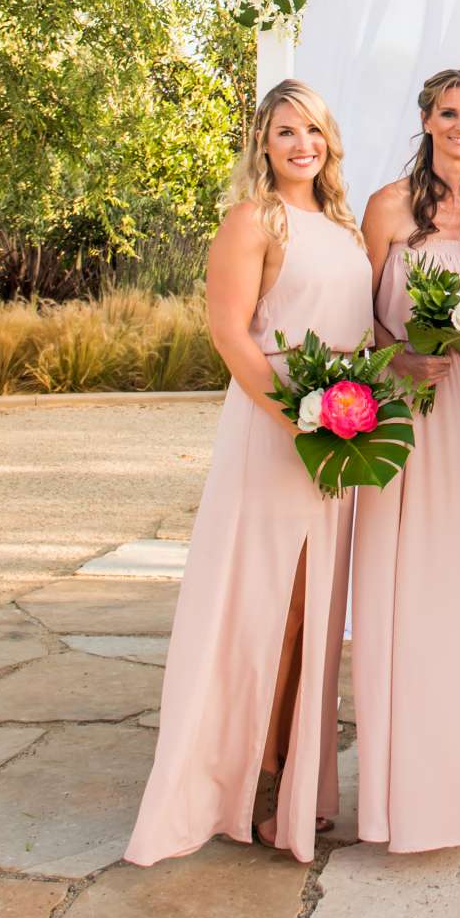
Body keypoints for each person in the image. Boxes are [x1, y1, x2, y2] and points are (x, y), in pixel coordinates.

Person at [127, 81, 371, 865]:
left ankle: (288, 775)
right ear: (264, 145)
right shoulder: (251, 221)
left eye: (313, 130)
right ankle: (243, 781)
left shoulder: (343, 227)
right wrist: (298, 419)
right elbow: (232, 338)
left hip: (340, 436)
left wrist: (350, 418)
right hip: (278, 434)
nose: (302, 144)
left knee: (313, 610)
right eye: (285, 131)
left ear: (330, 140)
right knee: (265, 600)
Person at [352, 68, 460, 851]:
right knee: (390, 592)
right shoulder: (385, 207)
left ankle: (438, 791)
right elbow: (354, 317)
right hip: (396, 417)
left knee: (447, 596)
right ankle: (383, 798)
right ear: (424, 117)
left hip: (459, 420)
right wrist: (398, 359)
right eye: (449, 112)